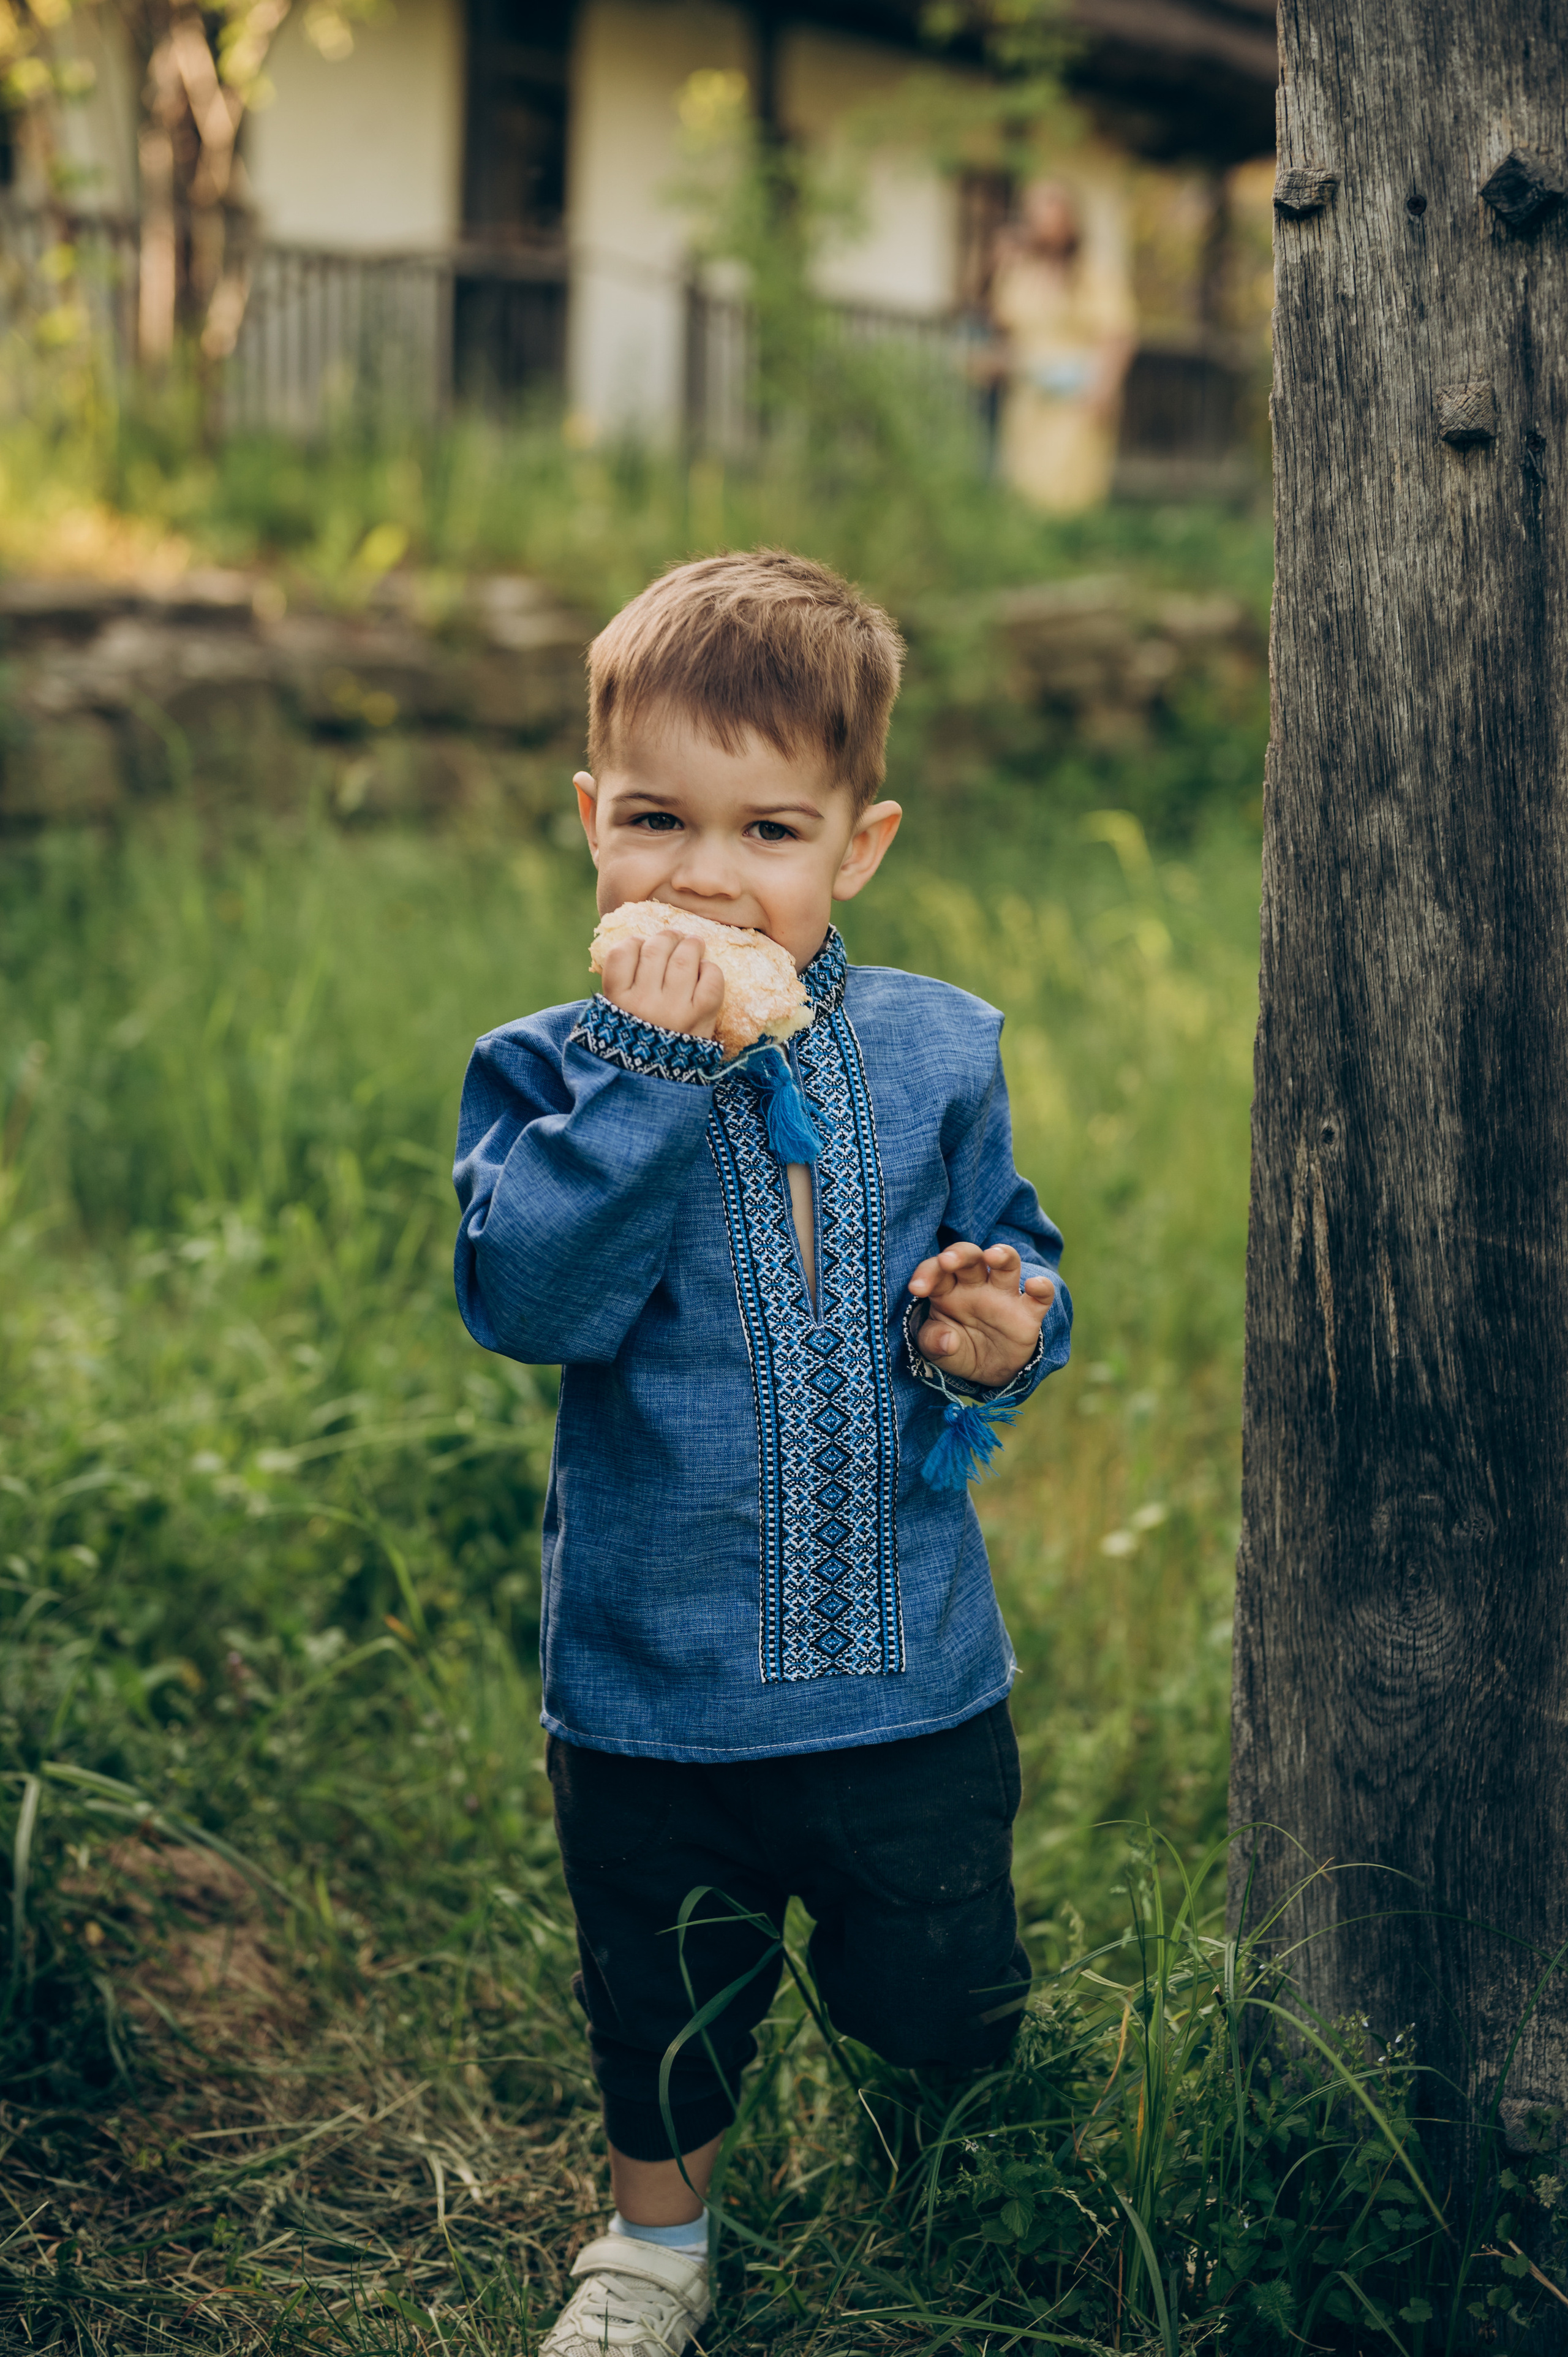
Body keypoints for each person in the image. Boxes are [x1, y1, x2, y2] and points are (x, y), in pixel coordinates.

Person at [452, 548, 1073, 2357]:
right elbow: (537, 1300)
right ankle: (656, 2242)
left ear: (854, 847)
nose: (706, 874)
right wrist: (644, 1067)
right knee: (660, 1983)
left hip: (906, 1674)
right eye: (654, 818)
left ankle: (942, 2114)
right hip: (656, 1690)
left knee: (940, 1974)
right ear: (588, 822)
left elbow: (1013, 1257)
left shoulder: (940, 1048)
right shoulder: (546, 1069)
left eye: (768, 830)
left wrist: (1000, 1333)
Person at [990, 177, 1137, 512]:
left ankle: (1071, 546)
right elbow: (1005, 328)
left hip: (1078, 397)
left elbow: (1117, 335)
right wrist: (1000, 263)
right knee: (1024, 485)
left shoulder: (1094, 273)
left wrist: (1105, 388)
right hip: (1030, 398)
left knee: (1068, 487)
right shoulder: (1020, 273)